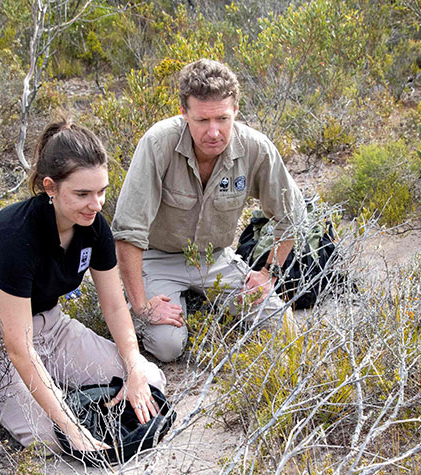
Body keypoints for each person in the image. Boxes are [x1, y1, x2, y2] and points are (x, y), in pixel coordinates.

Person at [0, 122, 165, 453]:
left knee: (150, 380)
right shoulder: (16, 236)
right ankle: (58, 403)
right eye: (82, 194)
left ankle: (63, 395)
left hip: (52, 327)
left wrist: (134, 364)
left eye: (101, 191)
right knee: (49, 436)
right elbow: (18, 347)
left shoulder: (94, 226)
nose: (95, 204)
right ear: (50, 187)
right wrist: (71, 426)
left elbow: (114, 306)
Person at [111, 58, 308, 362]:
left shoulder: (255, 148)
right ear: (184, 114)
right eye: (203, 121)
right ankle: (144, 307)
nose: (214, 132)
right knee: (167, 347)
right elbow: (127, 230)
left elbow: (292, 214)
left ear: (236, 113)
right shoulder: (157, 143)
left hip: (216, 258)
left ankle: (196, 302)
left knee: (285, 331)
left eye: (223, 119)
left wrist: (269, 273)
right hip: (158, 257)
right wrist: (141, 305)